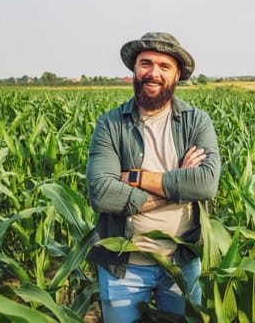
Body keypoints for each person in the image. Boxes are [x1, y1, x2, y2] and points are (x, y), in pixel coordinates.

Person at [86, 32, 221, 322]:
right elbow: (101, 193)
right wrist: (179, 182)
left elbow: (206, 184)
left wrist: (135, 177)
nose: (153, 73)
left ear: (177, 75)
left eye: (164, 66)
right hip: (124, 266)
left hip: (182, 261)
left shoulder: (197, 122)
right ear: (134, 69)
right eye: (145, 63)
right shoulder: (110, 125)